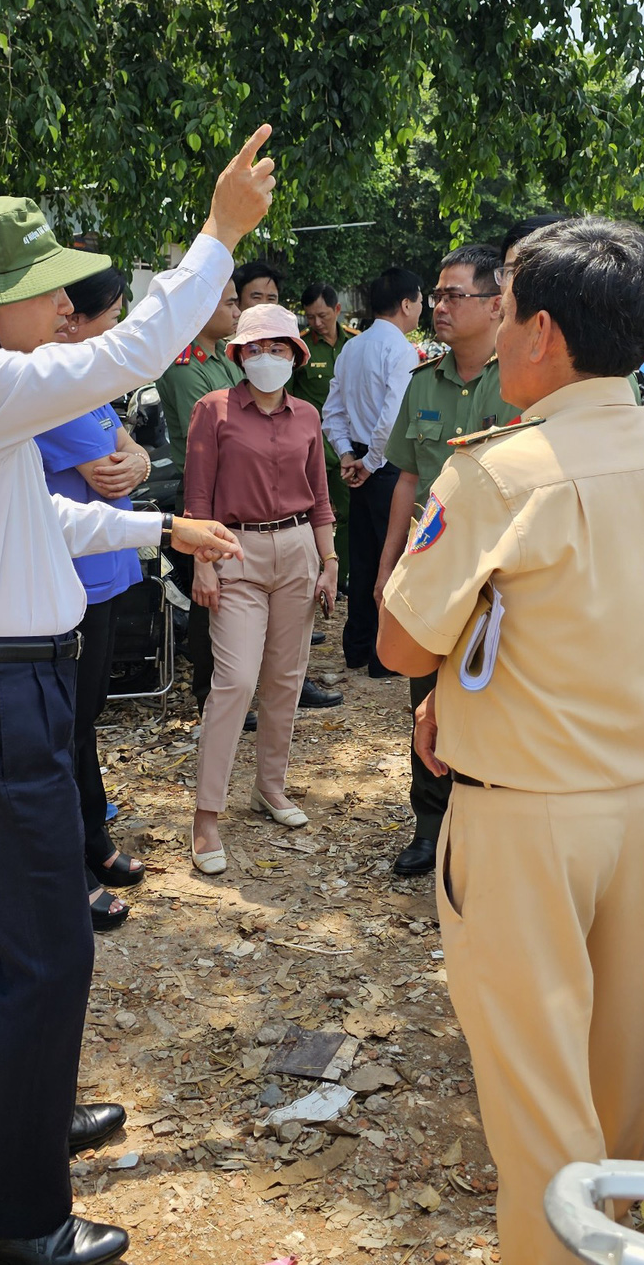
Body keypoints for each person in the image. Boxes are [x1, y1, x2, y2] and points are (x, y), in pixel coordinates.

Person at [0, 132, 271, 1265]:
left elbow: (30, 523)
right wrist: (218, 233)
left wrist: (156, 525)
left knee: (3, 940)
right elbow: (135, 348)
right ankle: (10, 1219)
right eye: (41, 293)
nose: (60, 310)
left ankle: (17, 1126)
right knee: (49, 945)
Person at [376, 216, 644, 1265]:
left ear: (542, 335)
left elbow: (397, 641)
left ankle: (564, 1251)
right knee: (623, 1050)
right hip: (642, 794)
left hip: (525, 812)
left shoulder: (497, 473)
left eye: (507, 306)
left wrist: (447, 678)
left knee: (533, 1078)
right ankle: (633, 1232)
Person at [183, 304, 339, 874]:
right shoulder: (214, 409)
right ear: (239, 354)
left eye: (277, 347)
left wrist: (329, 560)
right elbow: (197, 497)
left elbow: (320, 497)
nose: (266, 357)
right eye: (255, 347)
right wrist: (203, 562)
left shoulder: (308, 416)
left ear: (295, 355)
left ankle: (270, 787)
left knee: (286, 678)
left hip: (298, 547)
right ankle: (206, 815)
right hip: (234, 550)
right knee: (236, 680)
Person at [371, 243, 511, 877]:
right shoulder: (422, 381)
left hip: (500, 570)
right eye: (438, 293)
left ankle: (489, 826)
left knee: (493, 692)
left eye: (456, 294)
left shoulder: (520, 382)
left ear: (495, 303)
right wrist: (386, 567)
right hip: (433, 564)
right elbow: (406, 479)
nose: (439, 306)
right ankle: (430, 825)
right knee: (424, 693)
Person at [37, 266, 154, 931]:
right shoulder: (51, 385)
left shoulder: (85, 382)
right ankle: (71, 871)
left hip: (101, 572)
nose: (116, 327)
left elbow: (125, 452)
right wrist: (125, 460)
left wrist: (130, 456)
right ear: (71, 317)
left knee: (84, 722)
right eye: (111, 314)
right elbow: (111, 476)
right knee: (66, 729)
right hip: (71, 580)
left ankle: (94, 843)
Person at [321, 266, 423, 674]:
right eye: (419, 301)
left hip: (361, 463)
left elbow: (333, 410)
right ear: (404, 304)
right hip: (386, 465)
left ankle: (357, 646)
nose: (422, 309)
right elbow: (392, 416)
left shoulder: (353, 347)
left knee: (363, 558)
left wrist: (348, 455)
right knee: (390, 558)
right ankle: (383, 657)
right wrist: (370, 461)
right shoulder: (399, 350)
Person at [156, 277, 242, 707]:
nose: (236, 311)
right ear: (203, 308)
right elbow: (213, 436)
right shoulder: (187, 365)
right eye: (229, 303)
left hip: (235, 490)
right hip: (206, 493)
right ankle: (210, 693)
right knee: (211, 599)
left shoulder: (224, 359)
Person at [291, 281, 357, 589]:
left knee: (346, 515)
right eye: (310, 317)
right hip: (309, 447)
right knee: (305, 515)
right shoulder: (301, 349)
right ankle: (307, 577)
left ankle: (341, 577)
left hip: (346, 446)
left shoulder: (355, 345)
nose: (317, 323)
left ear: (337, 310)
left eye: (323, 316)